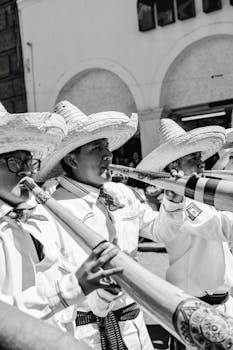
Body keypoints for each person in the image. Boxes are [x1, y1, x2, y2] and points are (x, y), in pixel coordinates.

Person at [37, 101, 185, 350]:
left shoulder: (122, 193)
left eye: (106, 147)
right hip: (86, 334)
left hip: (134, 327)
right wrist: (103, 291)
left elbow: (162, 232)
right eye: (96, 148)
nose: (108, 155)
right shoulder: (52, 207)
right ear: (72, 159)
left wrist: (173, 200)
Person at [0, 102, 122, 339]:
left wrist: (105, 288)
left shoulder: (42, 219)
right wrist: (73, 287)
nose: (28, 172)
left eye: (30, 162)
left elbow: (82, 304)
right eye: (15, 161)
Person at [137, 117, 233, 348]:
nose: (201, 164)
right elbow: (222, 227)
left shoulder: (199, 196)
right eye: (193, 159)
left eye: (200, 158)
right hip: (198, 309)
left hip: (222, 303)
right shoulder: (181, 204)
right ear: (174, 168)